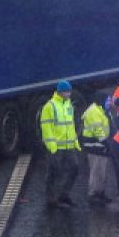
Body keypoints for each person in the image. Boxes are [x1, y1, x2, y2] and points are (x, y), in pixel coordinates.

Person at [40, 80, 80, 208]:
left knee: (74, 168)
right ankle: (51, 199)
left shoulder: (68, 104)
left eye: (69, 91)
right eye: (66, 92)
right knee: (54, 172)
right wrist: (51, 145)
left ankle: (63, 194)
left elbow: (70, 125)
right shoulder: (49, 106)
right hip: (56, 146)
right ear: (60, 92)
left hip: (68, 146)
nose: (69, 94)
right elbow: (46, 127)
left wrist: (75, 141)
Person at [80, 93, 114, 206]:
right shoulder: (94, 111)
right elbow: (97, 130)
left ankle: (100, 193)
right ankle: (93, 194)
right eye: (108, 100)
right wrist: (106, 142)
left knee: (102, 171)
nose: (110, 103)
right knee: (96, 171)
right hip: (94, 146)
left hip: (99, 145)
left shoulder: (101, 110)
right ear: (102, 100)